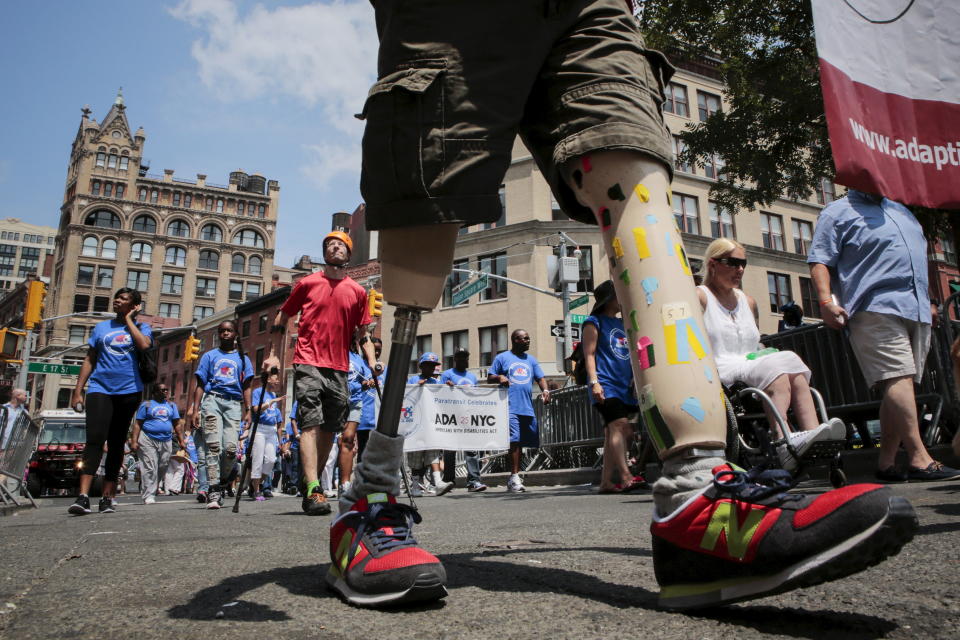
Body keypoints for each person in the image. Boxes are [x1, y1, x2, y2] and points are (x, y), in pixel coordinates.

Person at [327, 0, 918, 609]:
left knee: (634, 174)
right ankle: (370, 498)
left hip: (592, 7)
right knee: (430, 199)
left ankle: (696, 495)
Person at [809, 189, 960, 482]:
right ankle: (919, 457)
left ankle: (886, 462)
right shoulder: (837, 211)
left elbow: (914, 261)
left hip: (915, 309)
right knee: (897, 376)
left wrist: (929, 301)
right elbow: (819, 260)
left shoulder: (903, 212)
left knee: (902, 382)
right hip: (873, 306)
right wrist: (826, 302)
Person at [698, 238, 844, 471]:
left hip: (751, 363)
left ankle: (814, 433)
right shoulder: (701, 296)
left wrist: (764, 353)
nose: (740, 269)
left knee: (789, 362)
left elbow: (754, 344)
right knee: (778, 364)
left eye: (743, 263)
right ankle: (782, 439)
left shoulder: (748, 302)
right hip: (723, 367)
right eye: (733, 263)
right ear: (713, 264)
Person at [262, 230, 380, 516]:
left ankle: (308, 480)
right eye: (330, 244)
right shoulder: (308, 282)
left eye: (340, 245)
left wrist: (373, 362)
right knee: (310, 422)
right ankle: (315, 487)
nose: (335, 247)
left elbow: (363, 335)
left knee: (329, 427)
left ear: (349, 254)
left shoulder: (357, 292)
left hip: (339, 367)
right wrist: (274, 355)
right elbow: (283, 316)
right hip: (308, 361)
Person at [68, 288, 152, 515]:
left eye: (123, 299)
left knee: (116, 443)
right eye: (117, 297)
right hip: (100, 388)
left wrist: (128, 320)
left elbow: (144, 346)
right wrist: (78, 390)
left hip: (129, 390)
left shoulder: (143, 328)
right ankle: (83, 496)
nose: (117, 300)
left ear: (134, 305)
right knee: (95, 439)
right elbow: (90, 359)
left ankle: (107, 496)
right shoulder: (101, 328)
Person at [581, 280, 645, 493]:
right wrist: (594, 382)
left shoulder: (623, 323)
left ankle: (606, 482)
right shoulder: (593, 322)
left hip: (623, 385)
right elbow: (588, 354)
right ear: (609, 298)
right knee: (620, 425)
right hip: (605, 383)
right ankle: (626, 477)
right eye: (619, 295)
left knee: (613, 432)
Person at [186, 321, 253, 510]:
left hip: (233, 404)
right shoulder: (209, 356)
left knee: (231, 450)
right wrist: (195, 409)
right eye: (222, 331)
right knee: (213, 446)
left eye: (229, 330)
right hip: (212, 401)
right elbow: (200, 384)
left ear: (235, 334)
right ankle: (213, 489)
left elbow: (247, 386)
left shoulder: (243, 358)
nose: (225, 333)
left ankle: (222, 481)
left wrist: (248, 410)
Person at [487, 331, 551, 492]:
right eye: (525, 338)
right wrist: (499, 378)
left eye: (529, 338)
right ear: (515, 340)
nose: (528, 341)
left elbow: (540, 378)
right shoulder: (502, 358)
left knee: (523, 442)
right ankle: (515, 477)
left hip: (527, 407)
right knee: (514, 439)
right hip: (509, 406)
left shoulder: (531, 360)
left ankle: (513, 478)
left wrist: (546, 390)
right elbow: (490, 377)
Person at [407, 353, 455, 497]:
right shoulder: (413, 379)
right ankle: (415, 485)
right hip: (415, 424)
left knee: (433, 453)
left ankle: (438, 482)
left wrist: (448, 388)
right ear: (421, 366)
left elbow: (444, 400)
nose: (431, 368)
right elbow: (405, 397)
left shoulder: (436, 383)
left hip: (432, 424)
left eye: (433, 365)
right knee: (416, 456)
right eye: (428, 365)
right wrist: (416, 386)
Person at [440, 348, 487, 492]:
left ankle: (473, 481)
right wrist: (447, 388)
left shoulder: (472, 377)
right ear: (454, 359)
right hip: (452, 418)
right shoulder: (446, 374)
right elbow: (439, 394)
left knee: (472, 451)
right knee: (449, 451)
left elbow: (476, 396)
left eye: (465, 357)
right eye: (459, 357)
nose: (462, 360)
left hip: (469, 417)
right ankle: (448, 481)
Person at [131, 384, 185, 504]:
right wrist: (134, 441)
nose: (166, 392)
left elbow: (177, 424)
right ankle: (148, 495)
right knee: (150, 467)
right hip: (147, 439)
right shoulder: (146, 405)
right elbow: (137, 424)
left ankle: (153, 488)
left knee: (163, 466)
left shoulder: (171, 406)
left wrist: (182, 440)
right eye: (163, 390)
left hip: (166, 439)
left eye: (167, 389)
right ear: (155, 392)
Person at [339, 343, 373, 497]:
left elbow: (363, 381)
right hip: (336, 400)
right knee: (327, 442)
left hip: (355, 401)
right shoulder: (337, 350)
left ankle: (345, 484)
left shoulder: (358, 359)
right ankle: (313, 482)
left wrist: (368, 383)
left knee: (348, 439)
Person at [247, 373, 285, 501]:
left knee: (271, 460)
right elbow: (256, 409)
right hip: (259, 428)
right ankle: (257, 490)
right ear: (268, 379)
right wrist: (270, 402)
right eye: (276, 379)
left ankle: (254, 483)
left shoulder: (274, 394)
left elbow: (276, 417)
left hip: (271, 430)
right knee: (257, 460)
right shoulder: (258, 392)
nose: (277, 381)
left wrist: (279, 440)